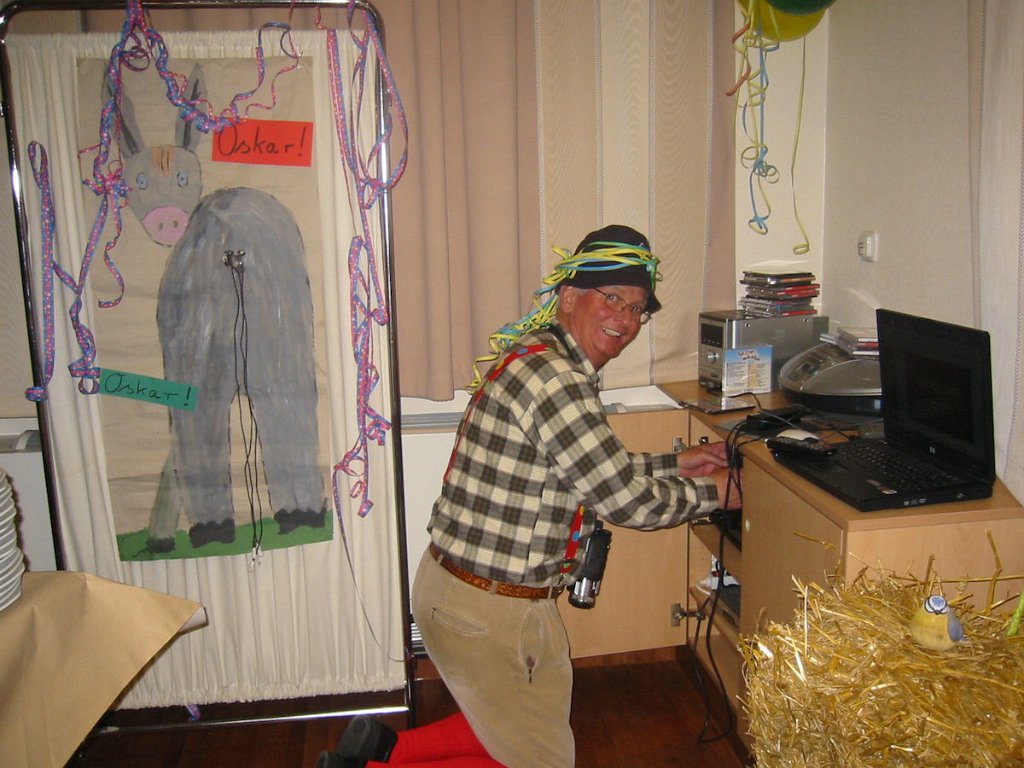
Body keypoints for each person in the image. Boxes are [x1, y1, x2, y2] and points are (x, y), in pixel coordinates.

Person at [319, 225, 740, 768]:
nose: (627, 318)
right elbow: (627, 502)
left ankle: (382, 750)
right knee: (541, 757)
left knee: (520, 719)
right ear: (568, 296)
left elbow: (583, 470)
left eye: (637, 308)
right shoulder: (556, 379)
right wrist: (718, 493)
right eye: (613, 297)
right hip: (488, 610)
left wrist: (677, 463)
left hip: (468, 594)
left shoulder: (540, 355)